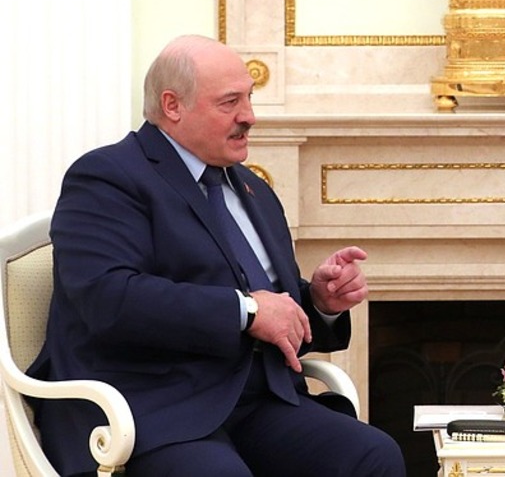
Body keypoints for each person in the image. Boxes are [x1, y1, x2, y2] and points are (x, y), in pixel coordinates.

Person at [28, 35, 407, 476]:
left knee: (372, 455)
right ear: (173, 105)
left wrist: (320, 303)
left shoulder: (251, 188)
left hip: (256, 403)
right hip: (152, 409)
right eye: (230, 102)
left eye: (249, 98)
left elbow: (265, 308)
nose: (249, 116)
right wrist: (248, 311)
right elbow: (108, 298)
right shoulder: (108, 177)